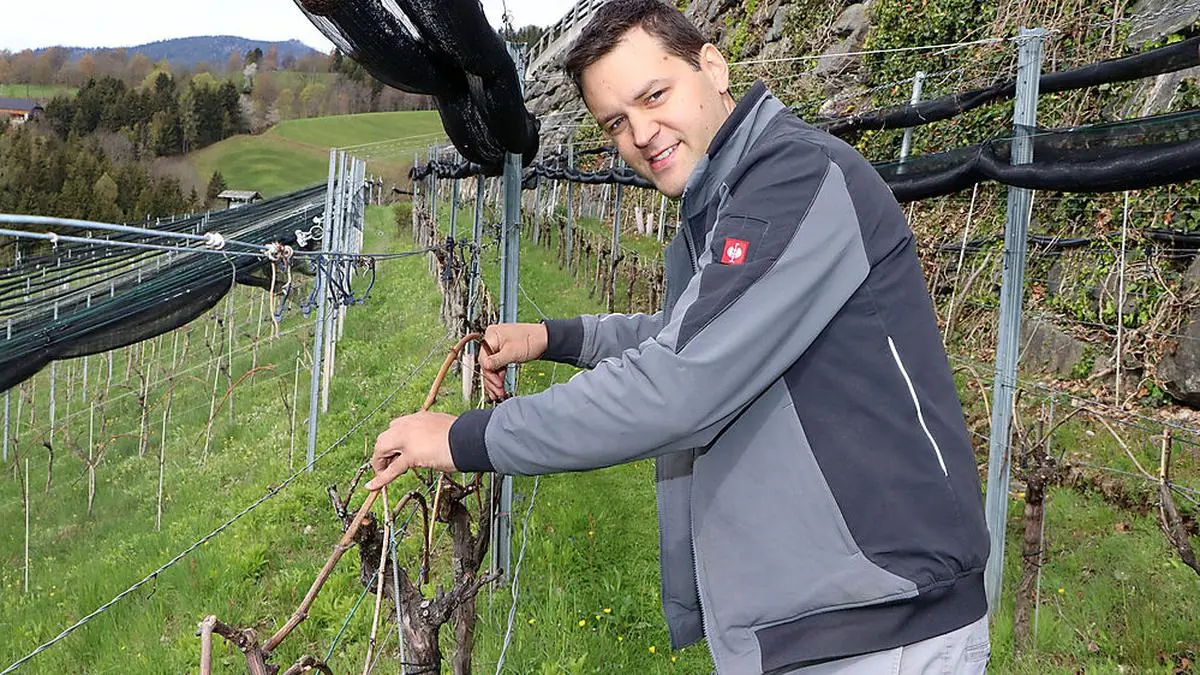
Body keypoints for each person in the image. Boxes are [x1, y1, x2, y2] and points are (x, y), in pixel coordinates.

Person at [366, 0, 992, 672]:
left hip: (878, 626)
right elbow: (691, 336)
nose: (641, 132)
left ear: (713, 67)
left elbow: (681, 382)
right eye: (617, 121)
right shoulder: (720, 201)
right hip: (818, 619)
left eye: (654, 94)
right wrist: (552, 336)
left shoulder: (794, 179)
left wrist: (463, 438)